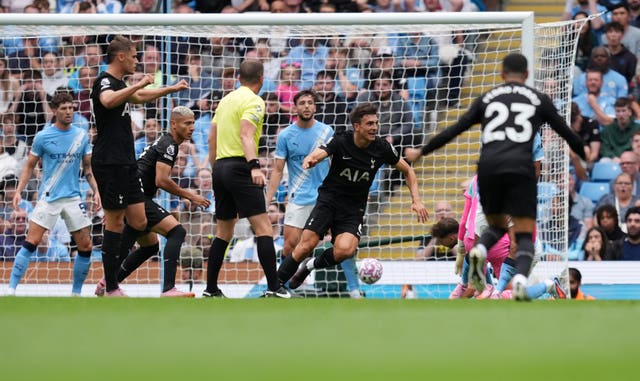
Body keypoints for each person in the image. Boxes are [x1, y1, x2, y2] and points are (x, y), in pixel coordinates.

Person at [405, 53, 586, 301]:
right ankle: (521, 281)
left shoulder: (487, 99)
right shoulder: (538, 101)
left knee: (495, 227)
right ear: (526, 75)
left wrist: (421, 151)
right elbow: (565, 132)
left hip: (487, 173)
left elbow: (454, 129)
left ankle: (479, 251)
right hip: (519, 173)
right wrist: (584, 149)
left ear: (501, 74)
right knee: (522, 238)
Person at [276, 103, 429, 290]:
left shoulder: (382, 147)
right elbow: (321, 152)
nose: (374, 127)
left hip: (353, 209)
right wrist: (312, 159)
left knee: (345, 250)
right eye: (369, 124)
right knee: (306, 245)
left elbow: (408, 171)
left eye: (376, 123)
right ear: (357, 126)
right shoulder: (341, 140)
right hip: (328, 201)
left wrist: (417, 200)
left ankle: (310, 266)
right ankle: (273, 286)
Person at [91, 35, 188, 297]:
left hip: (126, 162)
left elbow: (141, 96)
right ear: (121, 56)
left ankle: (109, 277)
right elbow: (108, 101)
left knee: (139, 220)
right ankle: (111, 286)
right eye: (134, 56)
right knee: (114, 221)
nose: (137, 60)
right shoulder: (104, 81)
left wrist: (169, 89)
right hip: (109, 161)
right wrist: (137, 84)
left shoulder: (121, 85)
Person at [94, 106, 210, 297]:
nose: (192, 128)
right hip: (135, 195)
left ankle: (109, 283)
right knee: (176, 231)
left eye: (193, 123)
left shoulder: (166, 142)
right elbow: (161, 180)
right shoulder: (170, 145)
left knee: (149, 245)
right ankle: (168, 288)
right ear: (174, 124)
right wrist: (190, 195)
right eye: (187, 123)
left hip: (134, 195)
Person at [204, 59, 290, 298]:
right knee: (263, 228)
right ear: (261, 78)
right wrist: (254, 166)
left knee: (223, 232)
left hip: (220, 167)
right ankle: (274, 288)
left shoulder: (225, 100)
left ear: (238, 78)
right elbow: (246, 133)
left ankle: (211, 289)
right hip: (240, 166)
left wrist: (216, 170)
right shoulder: (254, 101)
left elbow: (212, 138)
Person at [265, 89, 362, 298]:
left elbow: (338, 163)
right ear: (295, 107)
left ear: (315, 107)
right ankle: (283, 288)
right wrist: (268, 199)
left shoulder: (327, 132)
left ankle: (354, 288)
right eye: (302, 103)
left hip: (327, 197)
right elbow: (277, 170)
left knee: (343, 242)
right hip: (299, 197)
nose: (307, 106)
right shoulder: (285, 136)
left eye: (310, 102)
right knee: (292, 245)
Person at [7, 93, 100, 296]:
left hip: (74, 197)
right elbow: (29, 166)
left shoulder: (81, 135)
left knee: (85, 246)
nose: (68, 112)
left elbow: (88, 168)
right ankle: (11, 289)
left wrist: (96, 191)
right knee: (31, 242)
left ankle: (76, 293)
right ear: (54, 110)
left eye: (71, 108)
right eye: (64, 108)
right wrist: (19, 192)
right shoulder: (43, 136)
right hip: (48, 197)